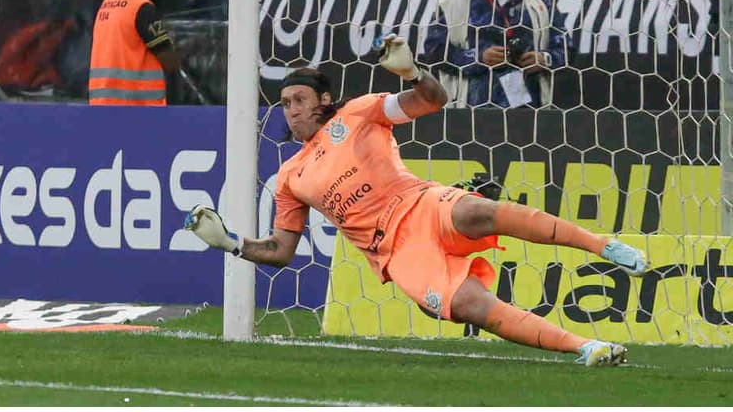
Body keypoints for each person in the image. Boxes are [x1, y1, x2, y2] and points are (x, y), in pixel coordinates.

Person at [185, 35, 646, 367]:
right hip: (397, 252)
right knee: (471, 308)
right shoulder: (290, 177)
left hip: (421, 202)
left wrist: (411, 72)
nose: (292, 110)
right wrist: (230, 242)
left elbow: (432, 101)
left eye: (299, 99)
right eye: (285, 103)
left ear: (323, 99)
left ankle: (602, 246)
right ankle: (585, 347)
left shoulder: (359, 112)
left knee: (477, 210)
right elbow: (282, 252)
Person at [420, 0, 568, 108]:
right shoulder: (455, 1)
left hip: (528, 112)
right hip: (468, 111)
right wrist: (479, 57)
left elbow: (566, 48)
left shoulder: (540, 3)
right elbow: (434, 51)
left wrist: (545, 59)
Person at [88, 0, 179, 105]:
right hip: (140, 112)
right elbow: (169, 61)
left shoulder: (105, 6)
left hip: (103, 108)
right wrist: (187, 48)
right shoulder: (141, 8)